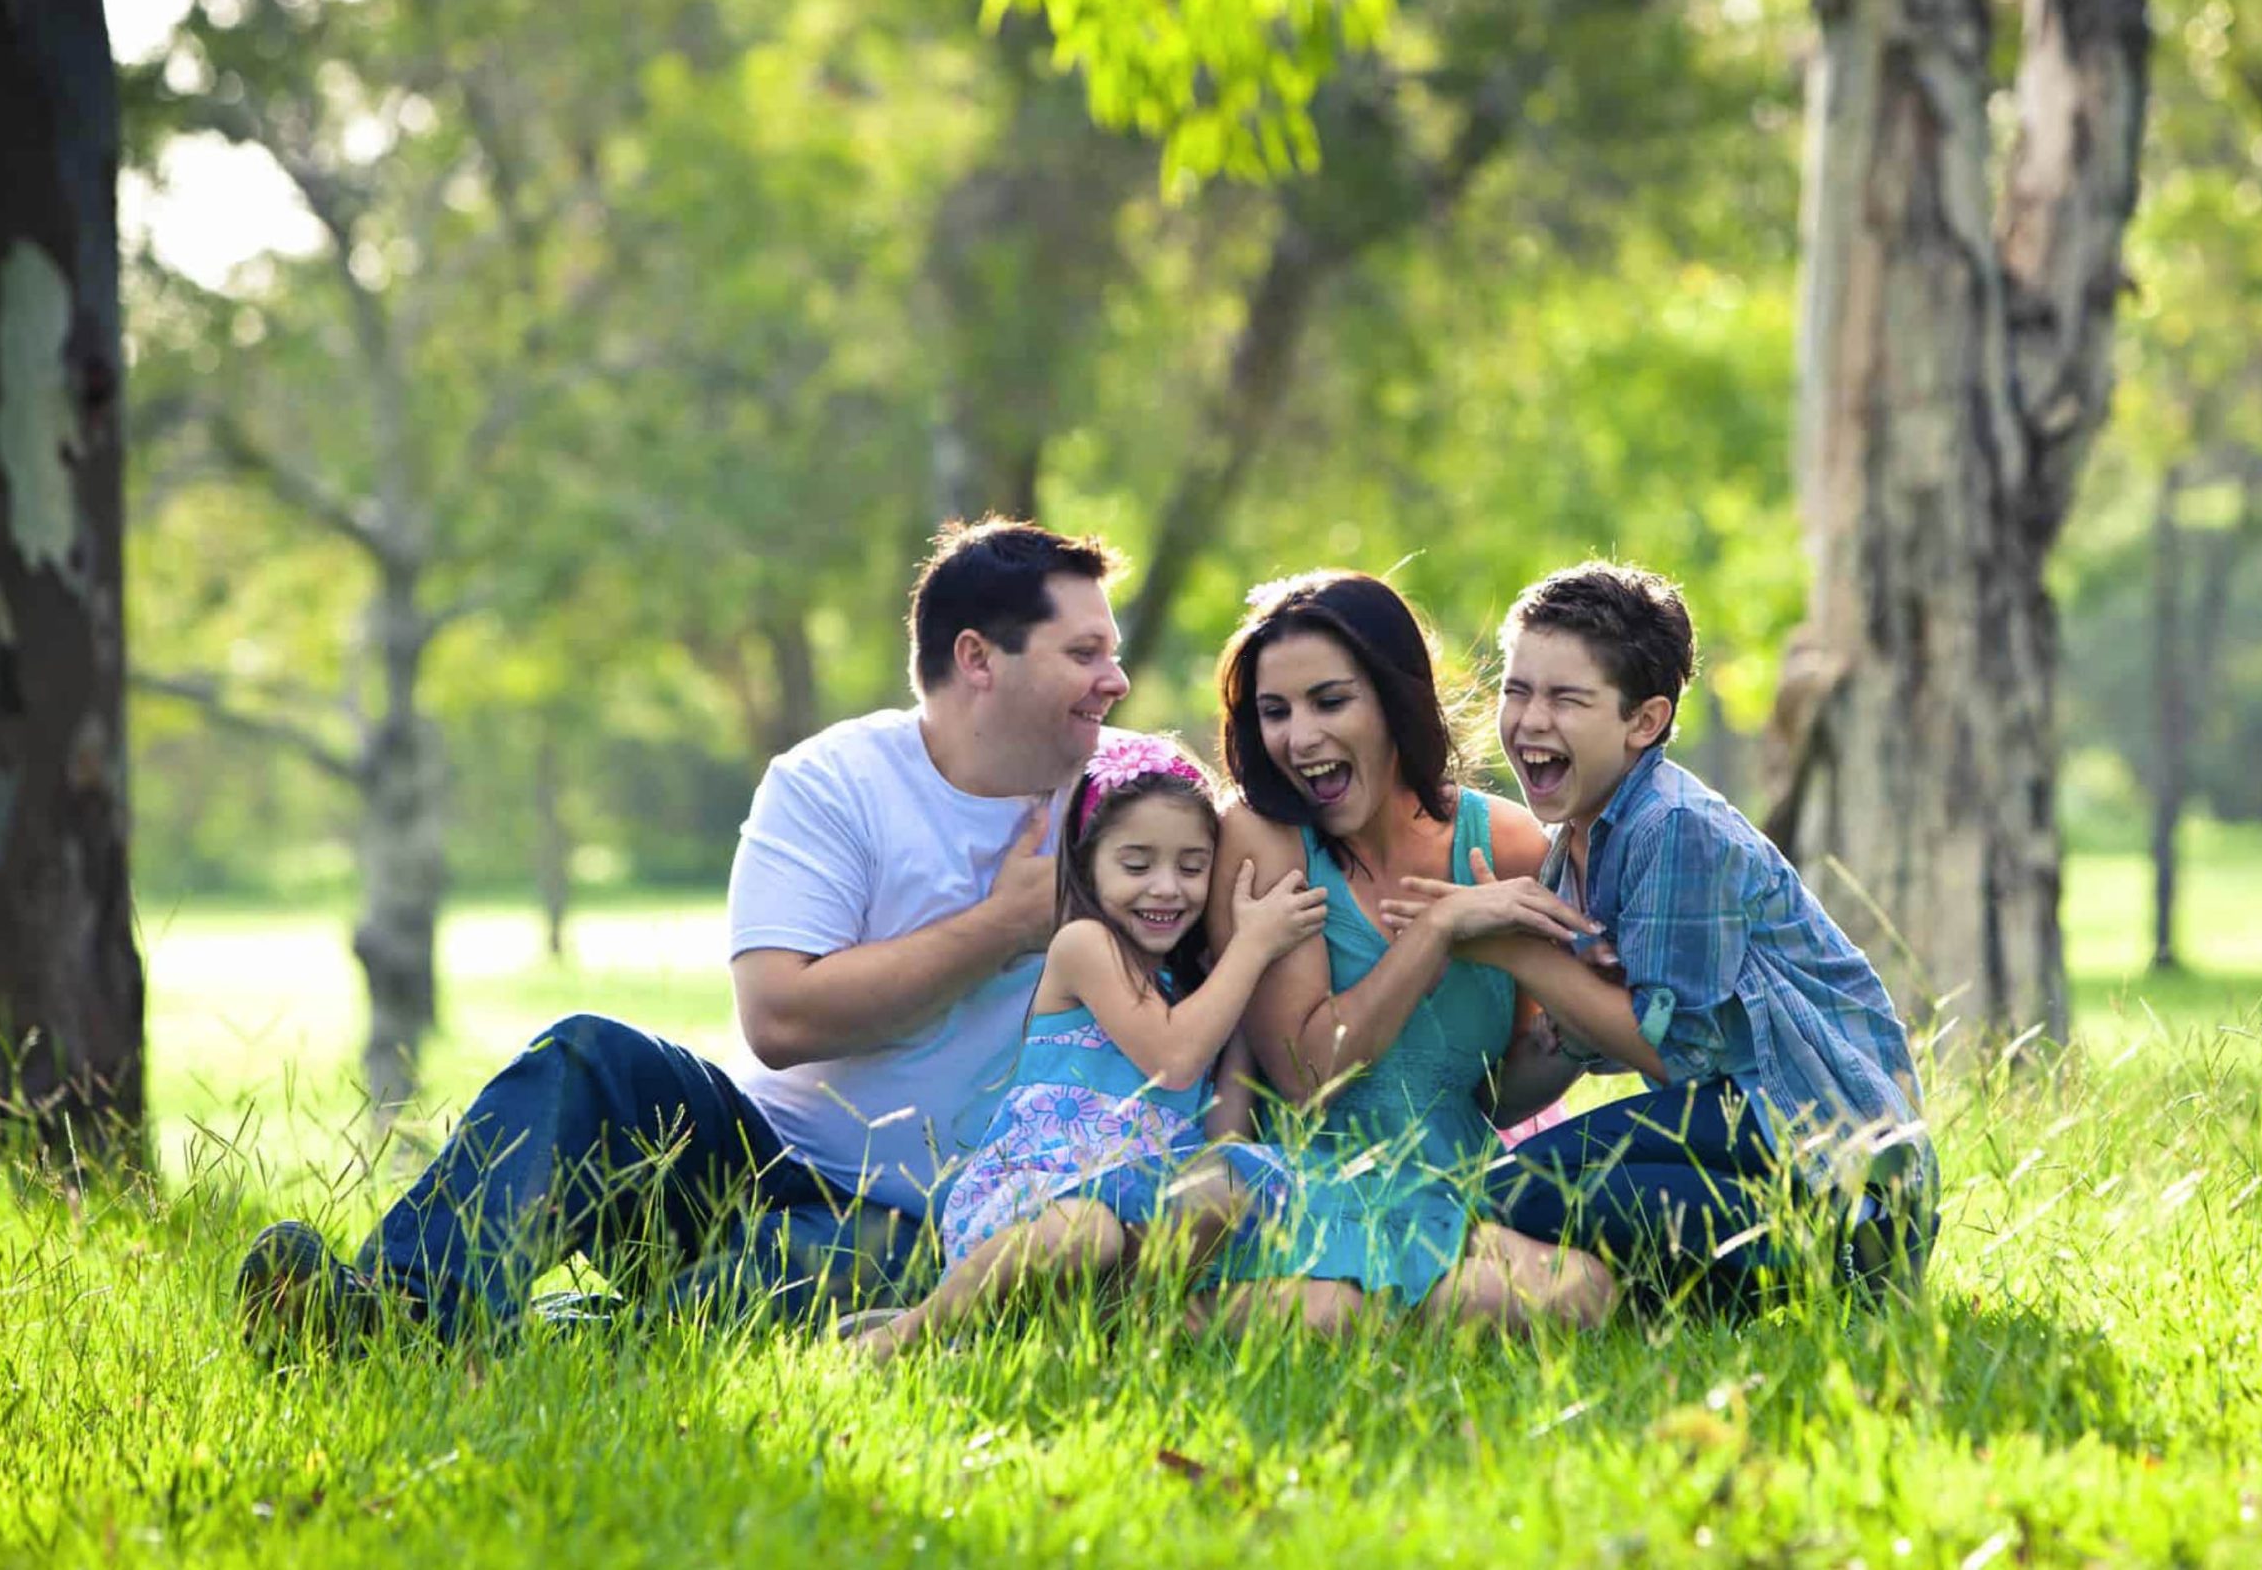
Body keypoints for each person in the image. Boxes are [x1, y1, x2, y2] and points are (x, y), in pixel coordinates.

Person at [235, 518, 1134, 1351]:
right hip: (745, 1151)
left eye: (1114, 654)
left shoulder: (1131, 805)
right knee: (591, 1056)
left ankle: (540, 1346)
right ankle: (401, 1310)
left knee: (804, 1274)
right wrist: (1004, 926)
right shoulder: (833, 783)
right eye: (1084, 652)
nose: (1116, 680)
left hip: (926, 1219)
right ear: (978, 658)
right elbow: (781, 1019)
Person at [1381, 561, 1935, 1306]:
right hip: (1739, 1136)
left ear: (1643, 720)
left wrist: (1518, 951)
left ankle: (1836, 1257)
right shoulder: (1576, 848)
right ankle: (1717, 1290)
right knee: (1489, 1197)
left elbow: (1677, 1052)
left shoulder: (1671, 826)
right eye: (1518, 690)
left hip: (1825, 1151)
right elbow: (1533, 1081)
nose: (1530, 720)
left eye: (1566, 698)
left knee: (1513, 1200)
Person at [1202, 573, 1619, 1333]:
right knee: (1371, 1310)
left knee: (1582, 1292)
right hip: (1308, 1186)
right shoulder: (1266, 837)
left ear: (1395, 702)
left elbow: (1494, 1094)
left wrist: (1569, 1033)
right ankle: (1216, 1310)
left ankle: (1350, 1315)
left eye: (1330, 701)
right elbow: (1305, 1078)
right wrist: (1434, 932)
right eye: (1275, 711)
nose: (1299, 738)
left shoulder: (1508, 843)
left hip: (1450, 1189)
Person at [851, 733, 1328, 1356]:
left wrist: (1238, 1006)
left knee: (1228, 1189)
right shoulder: (1084, 945)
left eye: (1191, 867)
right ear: (1088, 862)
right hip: (1044, 1199)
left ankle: (1084, 1338)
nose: (1166, 888)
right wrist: (1253, 946)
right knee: (1087, 1233)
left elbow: (1224, 1138)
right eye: (1136, 865)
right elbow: (1173, 1061)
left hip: (1144, 1210)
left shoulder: (1201, 992)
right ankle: (908, 1333)